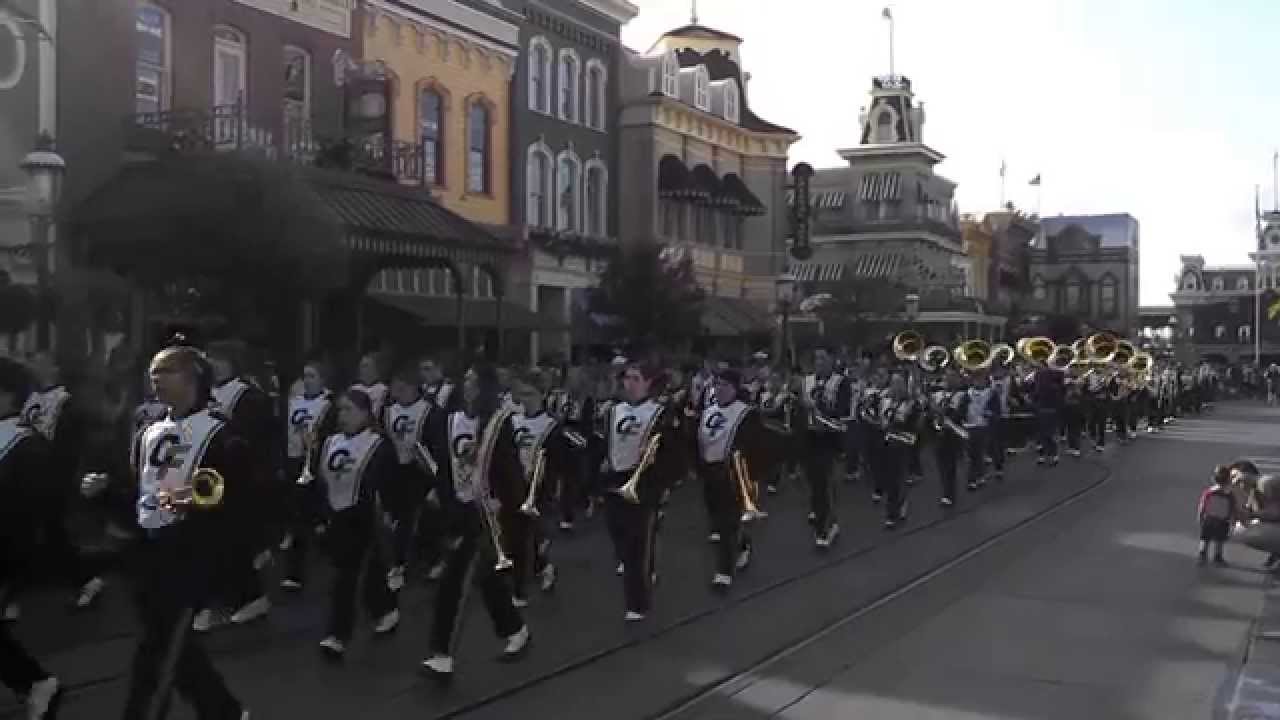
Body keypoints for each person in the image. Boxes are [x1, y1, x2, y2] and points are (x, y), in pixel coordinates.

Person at [117, 339, 249, 719]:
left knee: (157, 652)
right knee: (172, 643)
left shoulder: (219, 431)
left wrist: (196, 499)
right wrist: (104, 493)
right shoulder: (148, 430)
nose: (155, 379)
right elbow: (139, 491)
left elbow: (234, 488)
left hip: (190, 552)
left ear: (192, 378)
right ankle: (223, 710)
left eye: (166, 371)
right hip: (148, 550)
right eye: (153, 372)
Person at [420, 365, 530, 680]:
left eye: (473, 379)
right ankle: (515, 628)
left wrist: (507, 504)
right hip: (458, 509)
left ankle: (442, 653)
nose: (467, 384)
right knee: (485, 578)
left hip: (486, 515)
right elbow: (443, 464)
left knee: (454, 581)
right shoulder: (449, 420)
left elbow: (511, 472)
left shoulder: (498, 423)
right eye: (464, 378)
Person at [317, 389, 400, 658]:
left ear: (365, 413)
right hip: (338, 514)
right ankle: (384, 608)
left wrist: (388, 513)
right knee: (355, 573)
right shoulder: (330, 442)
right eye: (340, 410)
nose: (343, 416)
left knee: (350, 576)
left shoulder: (378, 444)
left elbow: (386, 483)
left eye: (349, 410)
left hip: (365, 515)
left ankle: (338, 634)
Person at [0, 357, 61, 718]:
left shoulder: (26, 445)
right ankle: (34, 682)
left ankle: (36, 682)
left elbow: (32, 511)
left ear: (8, 397)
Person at [694, 369, 763, 589]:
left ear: (735, 388)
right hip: (710, 471)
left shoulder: (745, 412)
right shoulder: (708, 411)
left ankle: (724, 572)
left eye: (725, 385)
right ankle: (742, 544)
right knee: (717, 517)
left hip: (734, 474)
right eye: (717, 384)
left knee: (727, 522)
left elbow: (751, 444)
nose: (719, 389)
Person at [1197, 466, 1236, 567]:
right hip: (1222, 521)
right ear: (1229, 480)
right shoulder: (1229, 495)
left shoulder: (1209, 492)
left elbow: (1202, 505)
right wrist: (1232, 522)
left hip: (1209, 519)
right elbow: (1232, 509)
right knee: (1219, 540)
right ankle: (1217, 557)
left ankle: (1202, 554)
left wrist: (1200, 517)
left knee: (1205, 538)